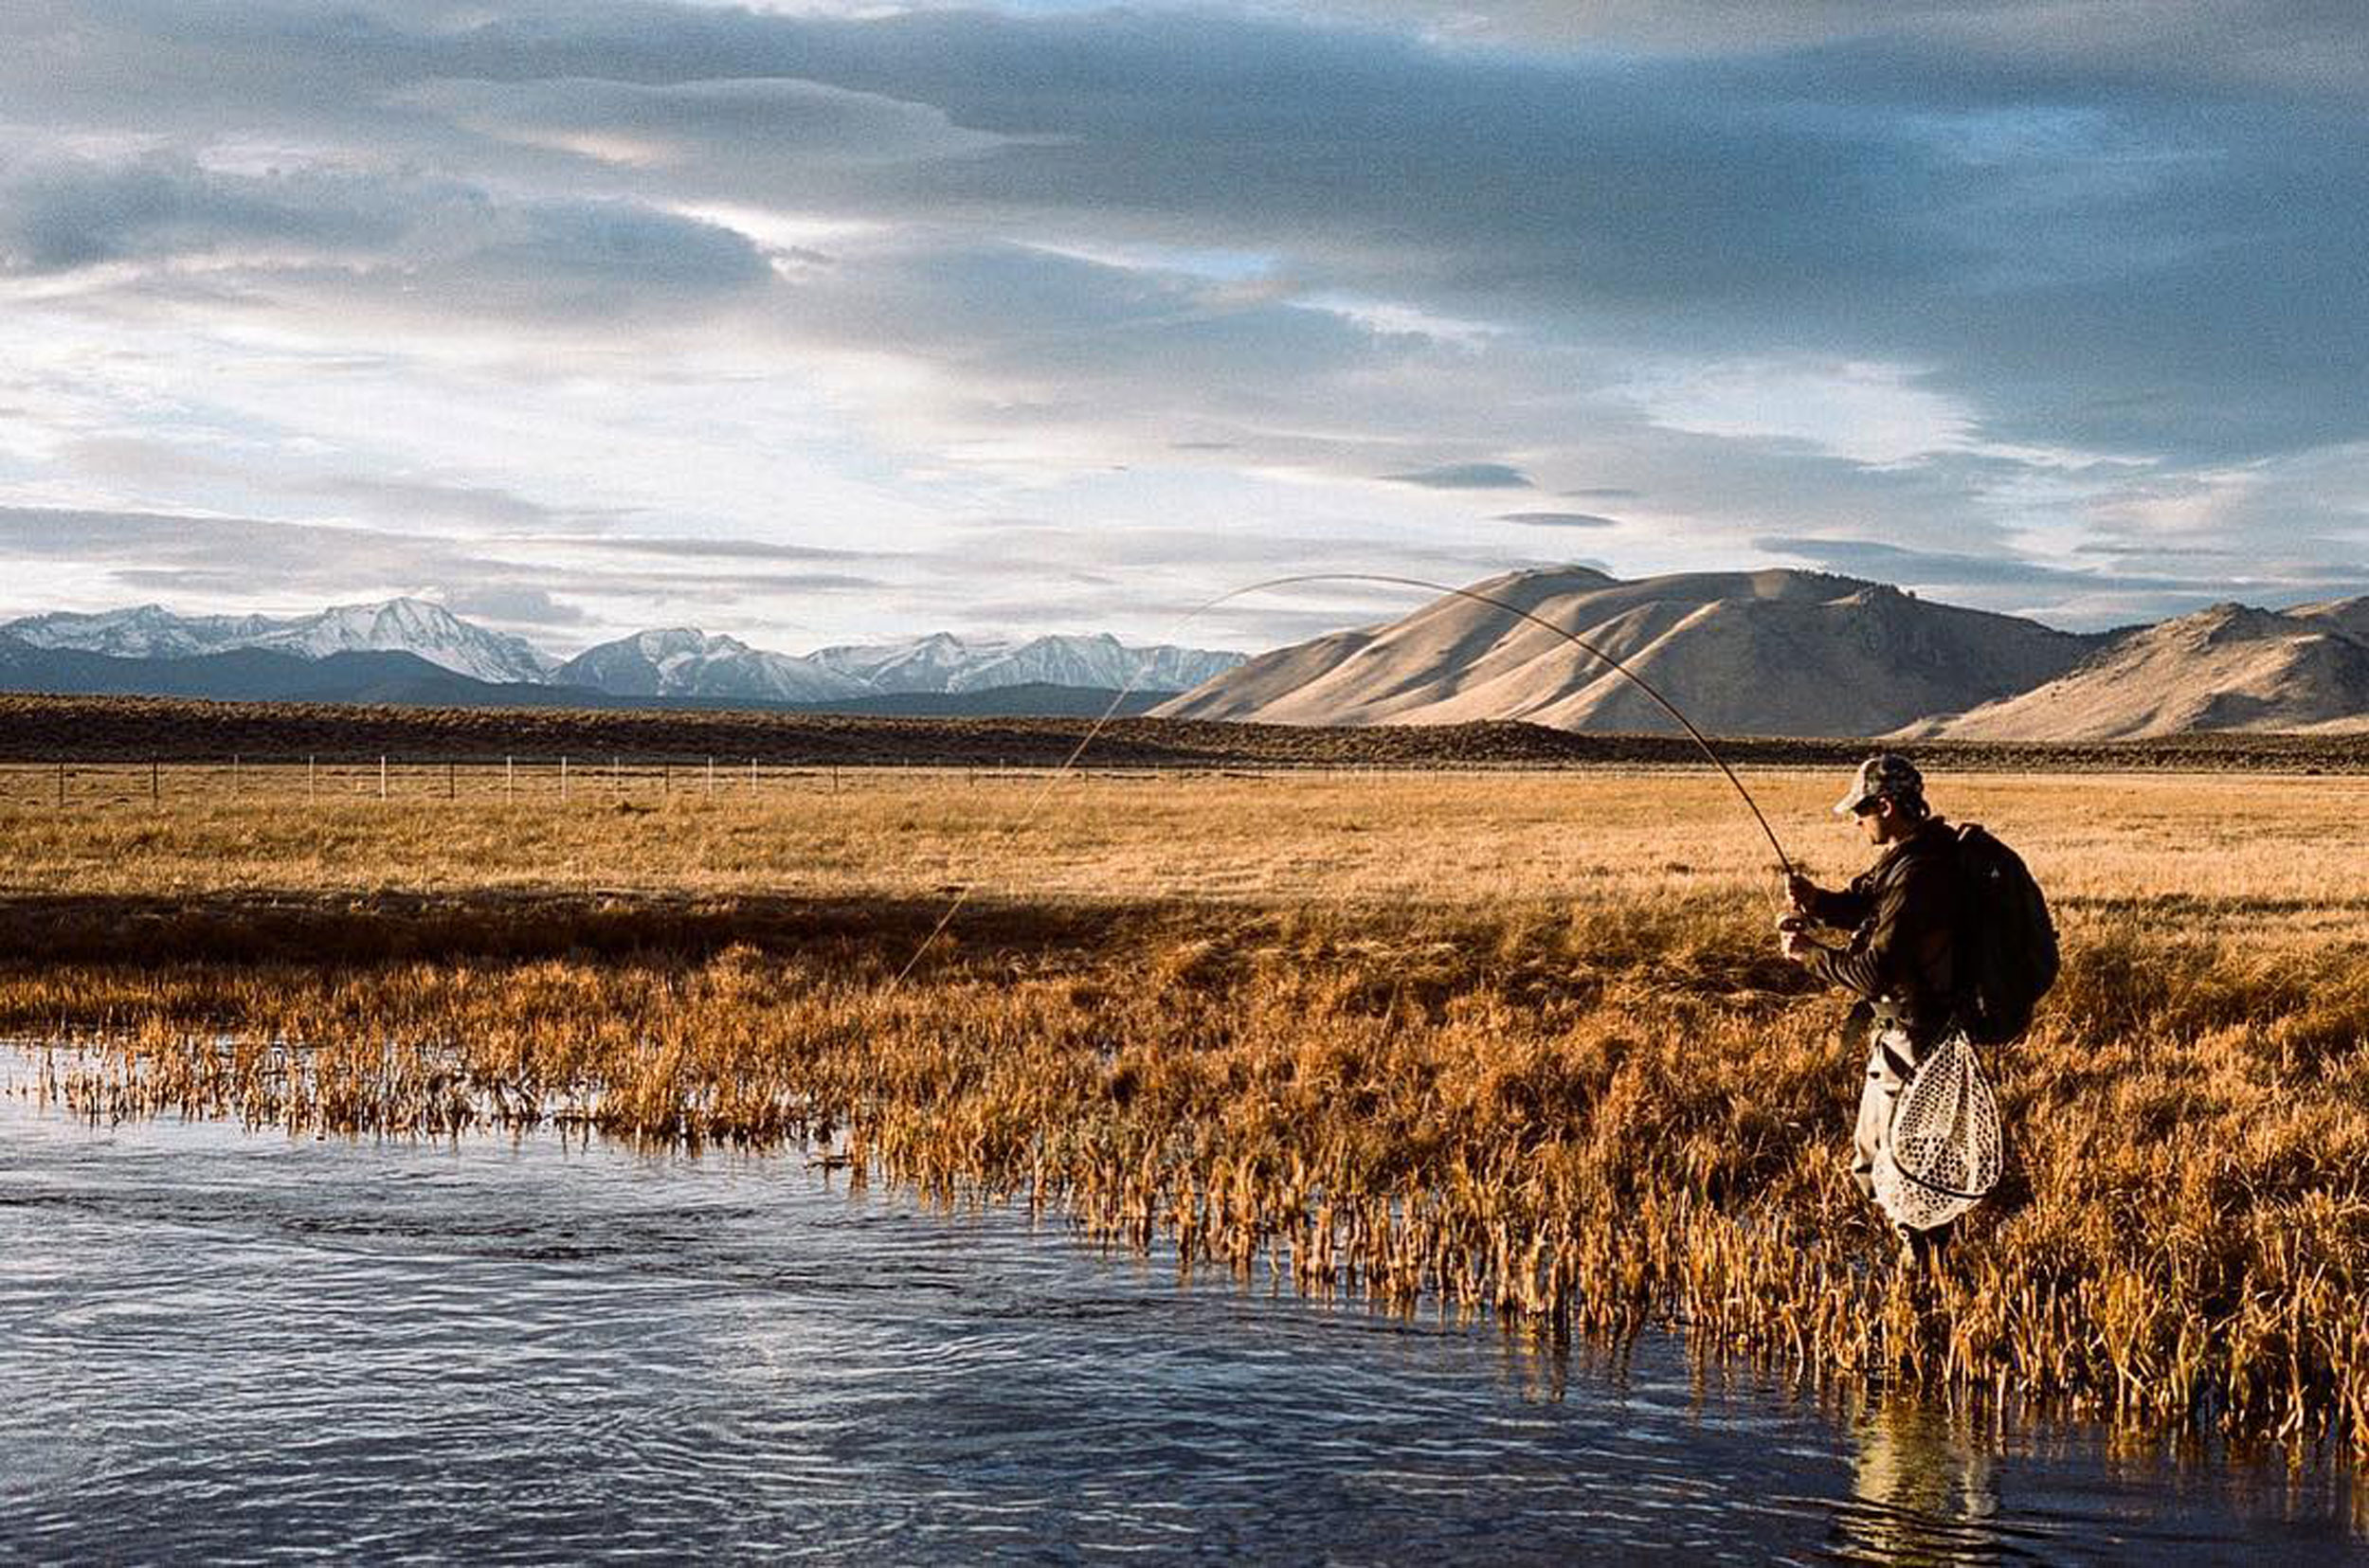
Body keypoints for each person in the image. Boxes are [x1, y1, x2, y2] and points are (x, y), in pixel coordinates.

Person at [1778, 754, 1964, 1267]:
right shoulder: (1910, 856)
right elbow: (1868, 907)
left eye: (1861, 810)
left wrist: (1810, 955)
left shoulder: (1921, 872)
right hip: (1898, 1035)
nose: (1857, 821)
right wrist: (1816, 902)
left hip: (1916, 1039)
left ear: (1885, 804)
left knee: (1903, 1167)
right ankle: (1924, 1258)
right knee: (1872, 1163)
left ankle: (1924, 1269)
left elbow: (1875, 971)